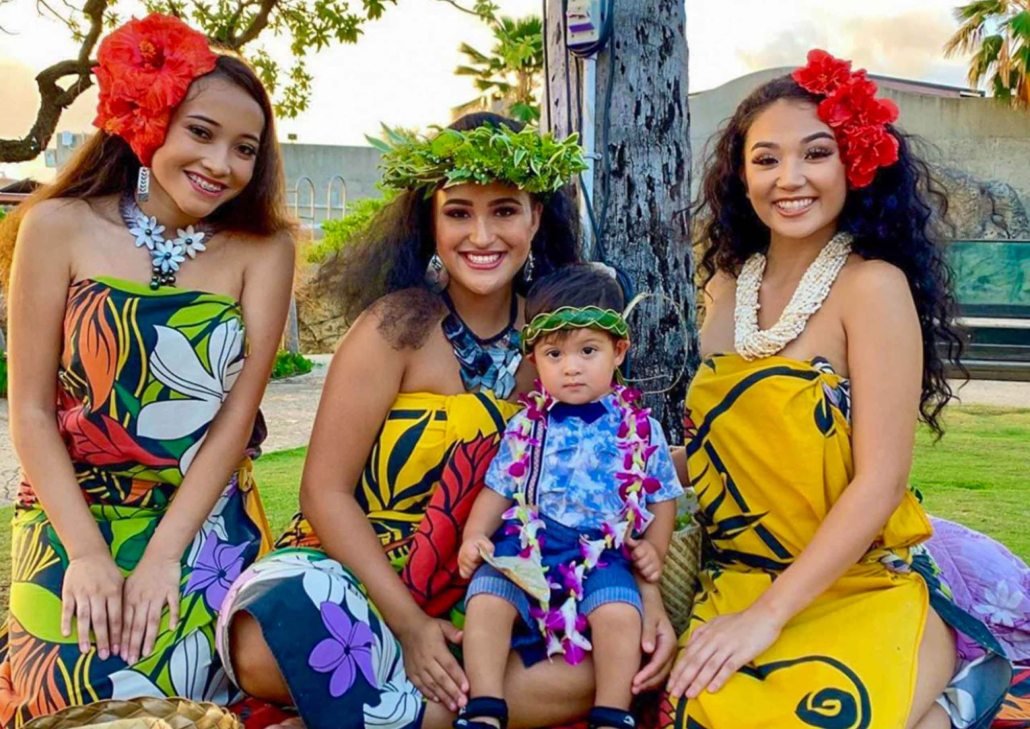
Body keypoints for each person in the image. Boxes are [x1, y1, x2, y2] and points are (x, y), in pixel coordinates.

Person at [215, 115, 679, 729]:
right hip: (365, 576)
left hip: (506, 577)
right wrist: (409, 627)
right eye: (459, 212)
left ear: (536, 218)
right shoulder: (394, 326)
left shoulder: (569, 343)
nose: (482, 235)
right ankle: (429, 710)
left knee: (609, 665)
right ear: (429, 222)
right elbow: (322, 492)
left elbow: (623, 480)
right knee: (266, 637)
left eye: (505, 211)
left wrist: (649, 598)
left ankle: (374, 711)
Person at [661, 50, 1022, 729]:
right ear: (740, 175)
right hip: (737, 577)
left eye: (815, 154)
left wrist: (766, 619)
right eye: (766, 159)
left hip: (852, 581)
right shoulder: (724, 288)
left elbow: (881, 481)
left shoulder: (872, 288)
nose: (789, 178)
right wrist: (631, 477)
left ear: (853, 163)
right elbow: (732, 448)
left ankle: (949, 696)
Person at [0, 13, 294, 728]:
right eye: (201, 132)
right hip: (72, 510)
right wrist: (89, 555)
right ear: (147, 117)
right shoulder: (58, 225)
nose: (222, 163)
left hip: (200, 519)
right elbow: (32, 411)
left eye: (245, 148)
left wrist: (165, 555)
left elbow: (233, 421)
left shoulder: (265, 249)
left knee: (190, 702)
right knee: (66, 700)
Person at [456, 264, 684, 729]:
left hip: (602, 551)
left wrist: (654, 551)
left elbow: (663, 498)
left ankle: (611, 711)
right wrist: (475, 535)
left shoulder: (640, 429)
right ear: (535, 359)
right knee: (487, 599)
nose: (572, 366)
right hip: (528, 544)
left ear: (618, 351)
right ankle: (484, 706)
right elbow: (498, 488)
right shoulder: (526, 425)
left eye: (587, 350)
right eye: (554, 353)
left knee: (620, 615)